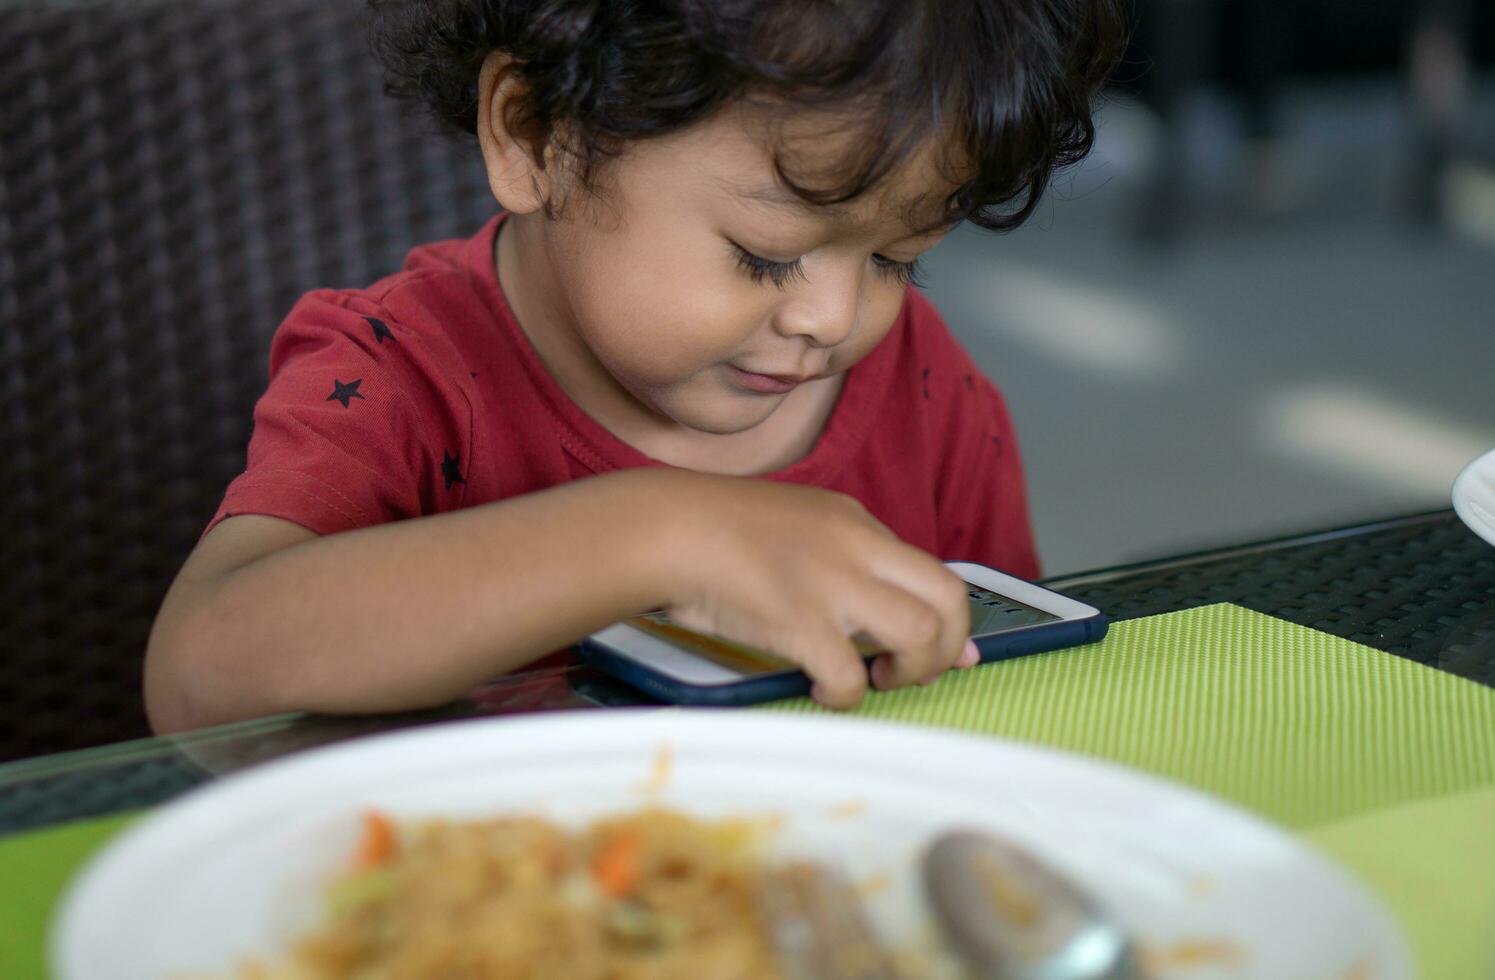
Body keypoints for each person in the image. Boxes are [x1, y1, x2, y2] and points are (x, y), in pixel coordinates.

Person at [144, 0, 1127, 732]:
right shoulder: (403, 378)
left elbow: (1013, 707)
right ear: (535, 135)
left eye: (894, 260)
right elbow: (200, 670)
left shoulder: (925, 387)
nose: (831, 318)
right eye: (765, 253)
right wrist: (658, 532)